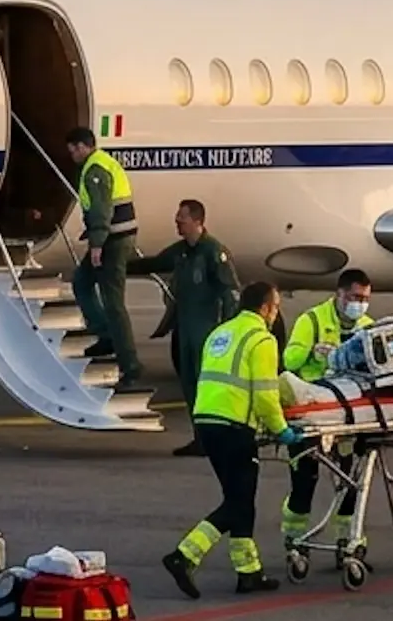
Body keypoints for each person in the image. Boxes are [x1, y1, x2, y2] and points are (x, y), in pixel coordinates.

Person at [161, 282, 297, 599]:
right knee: (237, 503)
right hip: (234, 428)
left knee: (240, 498)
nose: (276, 313)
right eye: (275, 307)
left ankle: (248, 572)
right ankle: (184, 556)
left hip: (207, 422)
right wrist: (282, 430)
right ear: (264, 308)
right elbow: (265, 395)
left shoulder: (220, 333)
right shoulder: (262, 339)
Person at [278, 269, 373, 550]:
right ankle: (294, 538)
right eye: (355, 297)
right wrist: (312, 352)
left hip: (348, 414)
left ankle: (349, 538)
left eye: (365, 298)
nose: (360, 303)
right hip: (310, 413)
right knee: (305, 480)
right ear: (339, 294)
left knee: (351, 481)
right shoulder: (312, 321)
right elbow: (289, 360)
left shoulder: (368, 326)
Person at [155, 199, 241, 457]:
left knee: (208, 388)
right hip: (186, 330)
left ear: (198, 221)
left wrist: (227, 330)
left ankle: (217, 439)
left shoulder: (213, 252)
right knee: (190, 385)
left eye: (182, 217)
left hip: (207, 331)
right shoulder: (181, 251)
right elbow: (155, 263)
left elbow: (230, 292)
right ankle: (200, 439)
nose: (177, 221)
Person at [64, 126, 142, 389]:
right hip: (110, 236)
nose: (72, 155)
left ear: (83, 146)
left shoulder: (95, 170)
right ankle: (105, 334)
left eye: (73, 149)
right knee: (82, 282)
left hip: (113, 241)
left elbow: (101, 209)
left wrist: (96, 244)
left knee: (113, 302)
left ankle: (130, 363)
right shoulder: (101, 163)